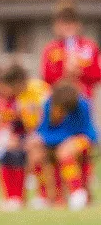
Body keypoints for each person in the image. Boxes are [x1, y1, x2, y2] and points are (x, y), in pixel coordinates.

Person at [40, 0, 100, 202]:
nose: (66, 27)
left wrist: (80, 69)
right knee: (54, 149)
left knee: (79, 149)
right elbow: (47, 78)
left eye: (70, 22)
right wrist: (63, 71)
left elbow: (96, 74)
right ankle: (58, 196)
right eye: (62, 22)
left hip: (81, 106)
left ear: (78, 24)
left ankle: (82, 192)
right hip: (58, 107)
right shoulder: (51, 50)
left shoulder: (88, 47)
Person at [27, 80, 97, 210]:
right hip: (57, 141)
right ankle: (45, 196)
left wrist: (46, 138)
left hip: (84, 138)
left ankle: (77, 193)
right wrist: (37, 138)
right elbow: (43, 129)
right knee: (35, 152)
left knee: (64, 151)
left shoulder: (82, 105)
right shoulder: (49, 104)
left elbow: (74, 131)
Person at [0, 63, 49, 210]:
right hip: (29, 135)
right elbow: (15, 122)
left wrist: (36, 136)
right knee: (7, 152)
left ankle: (43, 196)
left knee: (35, 151)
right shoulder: (15, 98)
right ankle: (14, 197)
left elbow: (50, 116)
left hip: (47, 134)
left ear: (17, 83)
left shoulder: (39, 89)